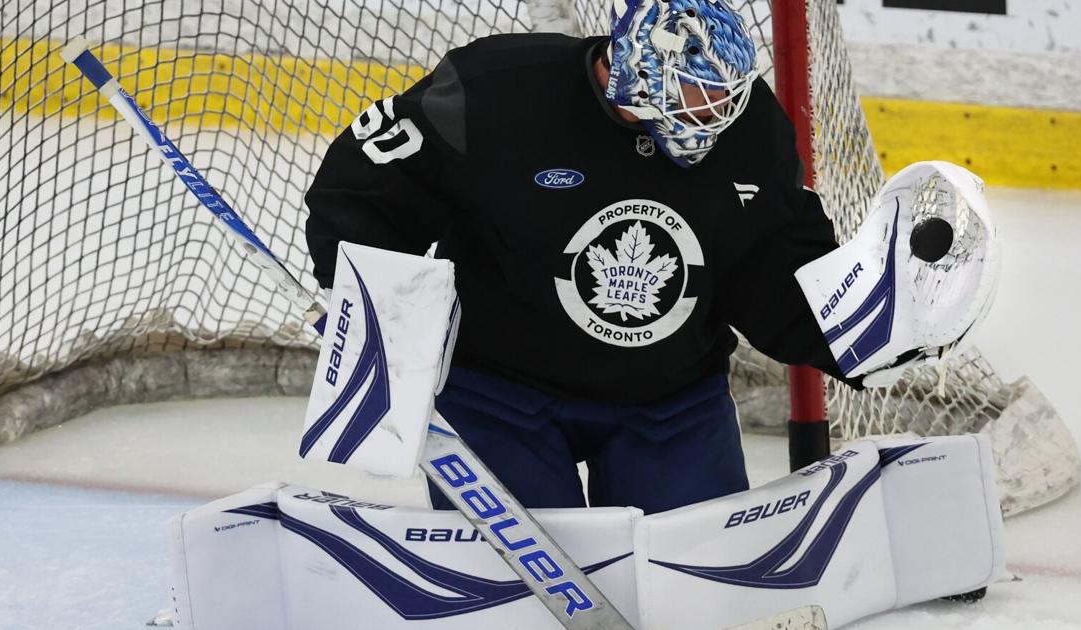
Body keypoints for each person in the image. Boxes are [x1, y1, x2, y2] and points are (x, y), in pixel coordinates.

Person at [304, 0, 858, 515]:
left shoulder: (749, 125)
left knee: (692, 586)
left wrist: (857, 331)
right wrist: (370, 305)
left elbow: (773, 263)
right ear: (638, 76)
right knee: (527, 601)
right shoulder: (497, 92)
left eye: (723, 94)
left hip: (672, 401)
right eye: (696, 94)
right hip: (498, 393)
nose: (715, 111)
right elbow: (367, 189)